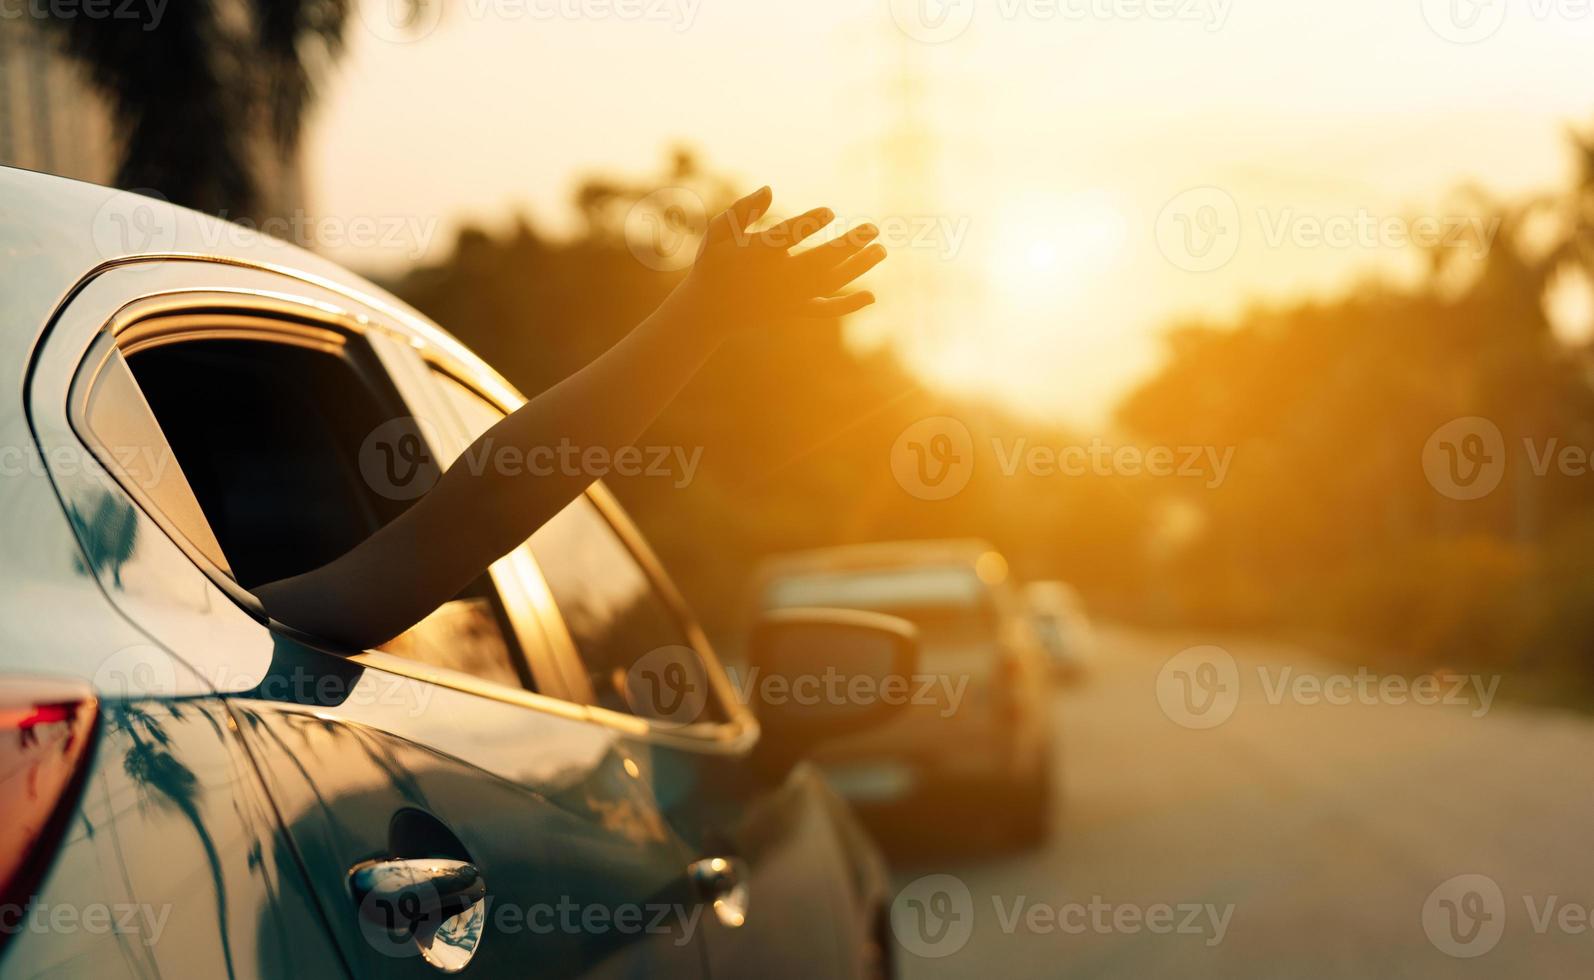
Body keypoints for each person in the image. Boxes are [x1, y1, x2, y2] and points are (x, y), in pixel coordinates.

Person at [255, 186, 886, 650]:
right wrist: (702, 318)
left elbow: (492, 500)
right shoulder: (206, 635)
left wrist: (706, 315)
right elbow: (489, 504)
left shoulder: (203, 629)